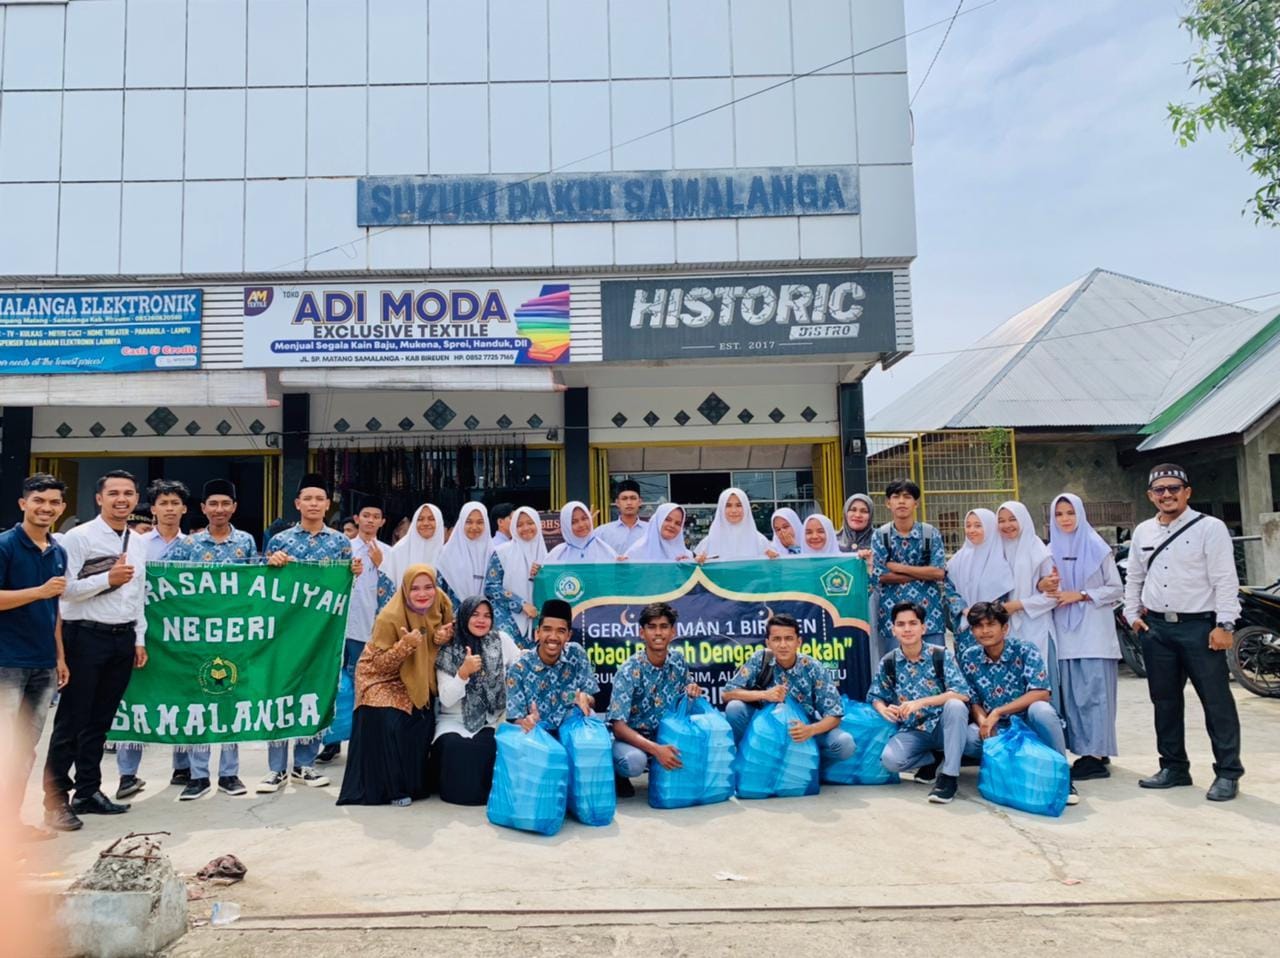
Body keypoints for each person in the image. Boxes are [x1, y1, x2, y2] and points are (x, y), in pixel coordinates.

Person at [1124, 464, 1243, 802]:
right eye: (1159, 490)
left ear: (1187, 492)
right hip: (1156, 629)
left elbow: (1224, 578)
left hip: (1200, 629)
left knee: (1216, 702)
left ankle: (1228, 772)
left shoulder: (1210, 528)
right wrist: (1131, 613)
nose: (1167, 495)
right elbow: (1134, 576)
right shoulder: (1144, 532)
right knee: (1165, 702)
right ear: (1151, 496)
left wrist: (1225, 625)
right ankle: (1174, 767)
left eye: (1173, 488)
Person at [43, 470, 149, 827]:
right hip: (84, 636)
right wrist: (108, 578)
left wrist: (138, 638)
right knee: (72, 721)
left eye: (129, 493)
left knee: (100, 722)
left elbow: (140, 594)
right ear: (99, 498)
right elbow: (63, 589)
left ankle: (88, 791)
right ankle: (54, 799)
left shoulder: (137, 541)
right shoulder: (79, 537)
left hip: (121, 638)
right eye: (114, 493)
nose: (122, 499)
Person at [259, 473, 361, 793]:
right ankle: (276, 768)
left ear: (327, 504)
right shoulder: (281, 541)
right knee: (280, 694)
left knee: (314, 695)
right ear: (297, 503)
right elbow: (265, 586)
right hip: (285, 633)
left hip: (322, 635)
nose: (314, 504)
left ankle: (305, 763)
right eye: (308, 498)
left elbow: (344, 590)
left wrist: (353, 573)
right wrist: (270, 563)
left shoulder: (339, 542)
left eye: (320, 499)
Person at [166, 479, 258, 799]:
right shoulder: (188, 545)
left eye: (225, 504)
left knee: (229, 702)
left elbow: (255, 586)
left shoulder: (245, 542)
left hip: (234, 637)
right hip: (197, 638)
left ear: (234, 507)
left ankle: (230, 774)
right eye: (213, 504)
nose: (219, 510)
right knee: (198, 704)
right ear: (203, 508)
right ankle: (198, 775)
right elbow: (167, 585)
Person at [337, 565, 454, 807]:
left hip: (418, 674)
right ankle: (390, 788)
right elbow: (379, 665)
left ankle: (414, 783)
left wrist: (440, 637)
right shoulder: (389, 617)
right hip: (380, 678)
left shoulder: (441, 604)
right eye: (415, 589)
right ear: (404, 590)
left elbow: (447, 631)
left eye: (428, 587)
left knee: (421, 721)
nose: (423, 594)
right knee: (389, 717)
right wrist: (405, 646)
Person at [0, 474, 68, 839]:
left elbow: (54, 610)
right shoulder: (5, 546)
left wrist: (59, 656)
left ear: (62, 508)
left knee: (25, 749)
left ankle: (12, 823)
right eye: (39, 500)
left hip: (42, 664)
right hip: (6, 662)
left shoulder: (58, 551)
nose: (46, 507)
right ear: (23, 503)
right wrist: (38, 590)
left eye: (54, 502)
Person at [114, 479, 191, 801]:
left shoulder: (195, 546)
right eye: (164, 503)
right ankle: (127, 774)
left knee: (187, 699)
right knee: (136, 697)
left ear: (184, 508)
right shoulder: (138, 545)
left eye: (175, 503)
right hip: (145, 633)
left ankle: (183, 767)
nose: (170, 509)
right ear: (153, 508)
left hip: (185, 634)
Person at [959, 602, 1078, 805]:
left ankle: (1063, 777)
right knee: (968, 739)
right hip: (996, 726)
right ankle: (1006, 770)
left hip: (1027, 722)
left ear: (1004, 628)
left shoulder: (1025, 650)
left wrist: (998, 711)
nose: (985, 631)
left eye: (990, 625)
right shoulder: (969, 656)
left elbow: (1041, 692)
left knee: (1042, 711)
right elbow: (973, 700)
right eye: (978, 626)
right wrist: (984, 722)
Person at [1046, 493, 1122, 782]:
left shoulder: (1096, 547)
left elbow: (1115, 589)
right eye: (1059, 514)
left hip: (1094, 633)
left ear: (1080, 514)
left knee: (1095, 694)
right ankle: (1088, 751)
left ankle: (1096, 756)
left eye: (1070, 513)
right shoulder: (1049, 550)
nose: (1065, 519)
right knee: (1073, 697)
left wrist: (1080, 595)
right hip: (1064, 634)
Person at [721, 613, 854, 771]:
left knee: (844, 744)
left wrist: (810, 730)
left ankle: (811, 770)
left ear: (799, 642)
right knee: (735, 708)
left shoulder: (812, 667)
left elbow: (835, 714)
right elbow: (727, 694)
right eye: (777, 639)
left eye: (789, 638)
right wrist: (765, 694)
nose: (783, 645)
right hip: (766, 732)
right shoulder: (760, 659)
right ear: (768, 642)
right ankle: (752, 765)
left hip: (801, 732)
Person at [869, 601, 971, 804]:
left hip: (945, 727)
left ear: (923, 627)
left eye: (913, 623)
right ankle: (934, 758)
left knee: (955, 705)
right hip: (914, 729)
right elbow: (875, 695)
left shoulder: (941, 655)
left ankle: (949, 778)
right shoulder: (889, 661)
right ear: (893, 629)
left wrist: (921, 702)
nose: (907, 629)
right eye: (901, 624)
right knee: (891, 760)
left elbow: (962, 693)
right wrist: (884, 709)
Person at [318, 496, 394, 765]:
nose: (371, 520)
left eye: (376, 516)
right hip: (345, 627)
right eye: (366, 515)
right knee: (338, 684)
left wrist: (380, 563)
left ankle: (363, 740)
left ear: (383, 521)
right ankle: (332, 740)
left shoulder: (388, 552)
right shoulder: (344, 548)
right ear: (357, 519)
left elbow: (396, 592)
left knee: (368, 685)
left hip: (375, 631)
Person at [607, 602, 703, 797]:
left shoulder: (678, 661)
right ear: (642, 633)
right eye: (652, 627)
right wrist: (656, 750)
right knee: (634, 762)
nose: (658, 633)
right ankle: (618, 774)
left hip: (667, 735)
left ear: (673, 632)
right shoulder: (628, 670)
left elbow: (685, 699)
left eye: (664, 627)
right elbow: (618, 727)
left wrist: (692, 691)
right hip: (634, 741)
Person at [433, 596, 521, 805]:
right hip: (452, 721)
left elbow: (521, 666)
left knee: (484, 748)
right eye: (475, 615)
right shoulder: (448, 650)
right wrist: (463, 673)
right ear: (463, 617)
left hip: (488, 721)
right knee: (455, 747)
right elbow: (446, 698)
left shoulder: (500, 641)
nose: (481, 620)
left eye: (487, 616)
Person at [871, 479, 948, 651]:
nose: (901, 501)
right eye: (896, 496)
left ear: (916, 503)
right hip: (893, 619)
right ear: (888, 503)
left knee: (936, 667)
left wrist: (899, 567)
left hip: (930, 616)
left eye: (907, 497)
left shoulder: (930, 533)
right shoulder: (880, 535)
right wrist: (923, 572)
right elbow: (881, 575)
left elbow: (939, 572)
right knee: (896, 670)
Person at [996, 501, 1060, 704]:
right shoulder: (997, 550)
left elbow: (1053, 596)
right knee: (1013, 686)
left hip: (1037, 627)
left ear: (1023, 520)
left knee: (1041, 687)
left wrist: (1017, 605)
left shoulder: (1037, 550)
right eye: (1001, 521)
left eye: (1012, 519)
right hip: (1007, 629)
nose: (1007, 525)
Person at [505, 599, 599, 731]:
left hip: (572, 733)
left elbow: (590, 699)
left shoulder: (576, 654)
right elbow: (515, 717)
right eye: (547, 629)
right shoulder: (519, 668)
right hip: (538, 739)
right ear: (538, 633)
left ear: (568, 635)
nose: (553, 637)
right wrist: (527, 722)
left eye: (560, 631)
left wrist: (584, 698)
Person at [946, 508, 1015, 657]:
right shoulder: (957, 560)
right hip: (965, 627)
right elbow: (949, 588)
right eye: (968, 525)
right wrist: (965, 610)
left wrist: (984, 615)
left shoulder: (1002, 559)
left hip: (991, 627)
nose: (972, 530)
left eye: (978, 525)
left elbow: (1003, 594)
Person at [484, 506, 547, 649]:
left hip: (540, 623)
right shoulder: (502, 553)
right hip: (508, 620)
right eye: (519, 524)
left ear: (537, 524)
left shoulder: (549, 556)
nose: (525, 528)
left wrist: (543, 574)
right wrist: (521, 604)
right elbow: (491, 587)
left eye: (530, 523)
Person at [435, 502, 494, 606]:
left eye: (480, 522)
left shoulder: (493, 554)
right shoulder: (446, 554)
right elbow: (440, 589)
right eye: (469, 522)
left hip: (486, 616)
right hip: (454, 614)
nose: (474, 527)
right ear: (461, 523)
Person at [694, 488, 769, 562]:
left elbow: (770, 570)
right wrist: (698, 561)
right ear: (721, 508)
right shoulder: (708, 542)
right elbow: (696, 570)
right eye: (728, 505)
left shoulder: (760, 541)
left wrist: (773, 560)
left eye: (739, 505)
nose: (734, 510)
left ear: (746, 508)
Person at [384, 503, 445, 585]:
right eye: (420, 519)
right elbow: (388, 587)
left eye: (431, 519)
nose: (426, 523)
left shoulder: (447, 555)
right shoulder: (398, 551)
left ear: (439, 522)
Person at [544, 502, 619, 564]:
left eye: (584, 518)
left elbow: (616, 577)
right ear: (566, 526)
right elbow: (547, 578)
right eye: (574, 522)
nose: (581, 525)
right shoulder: (557, 554)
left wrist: (623, 564)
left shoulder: (605, 550)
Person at [624, 503, 693, 562]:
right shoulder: (637, 551)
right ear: (657, 521)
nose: (672, 525)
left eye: (678, 523)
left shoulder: (686, 555)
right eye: (667, 519)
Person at [596, 480, 648, 555]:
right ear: (617, 502)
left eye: (633, 498)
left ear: (640, 502)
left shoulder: (650, 530)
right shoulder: (602, 532)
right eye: (624, 498)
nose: (629, 503)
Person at [837, 493, 875, 558]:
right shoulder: (832, 541)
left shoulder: (880, 540)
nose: (857, 515)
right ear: (846, 513)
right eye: (853, 510)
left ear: (870, 515)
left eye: (864, 511)